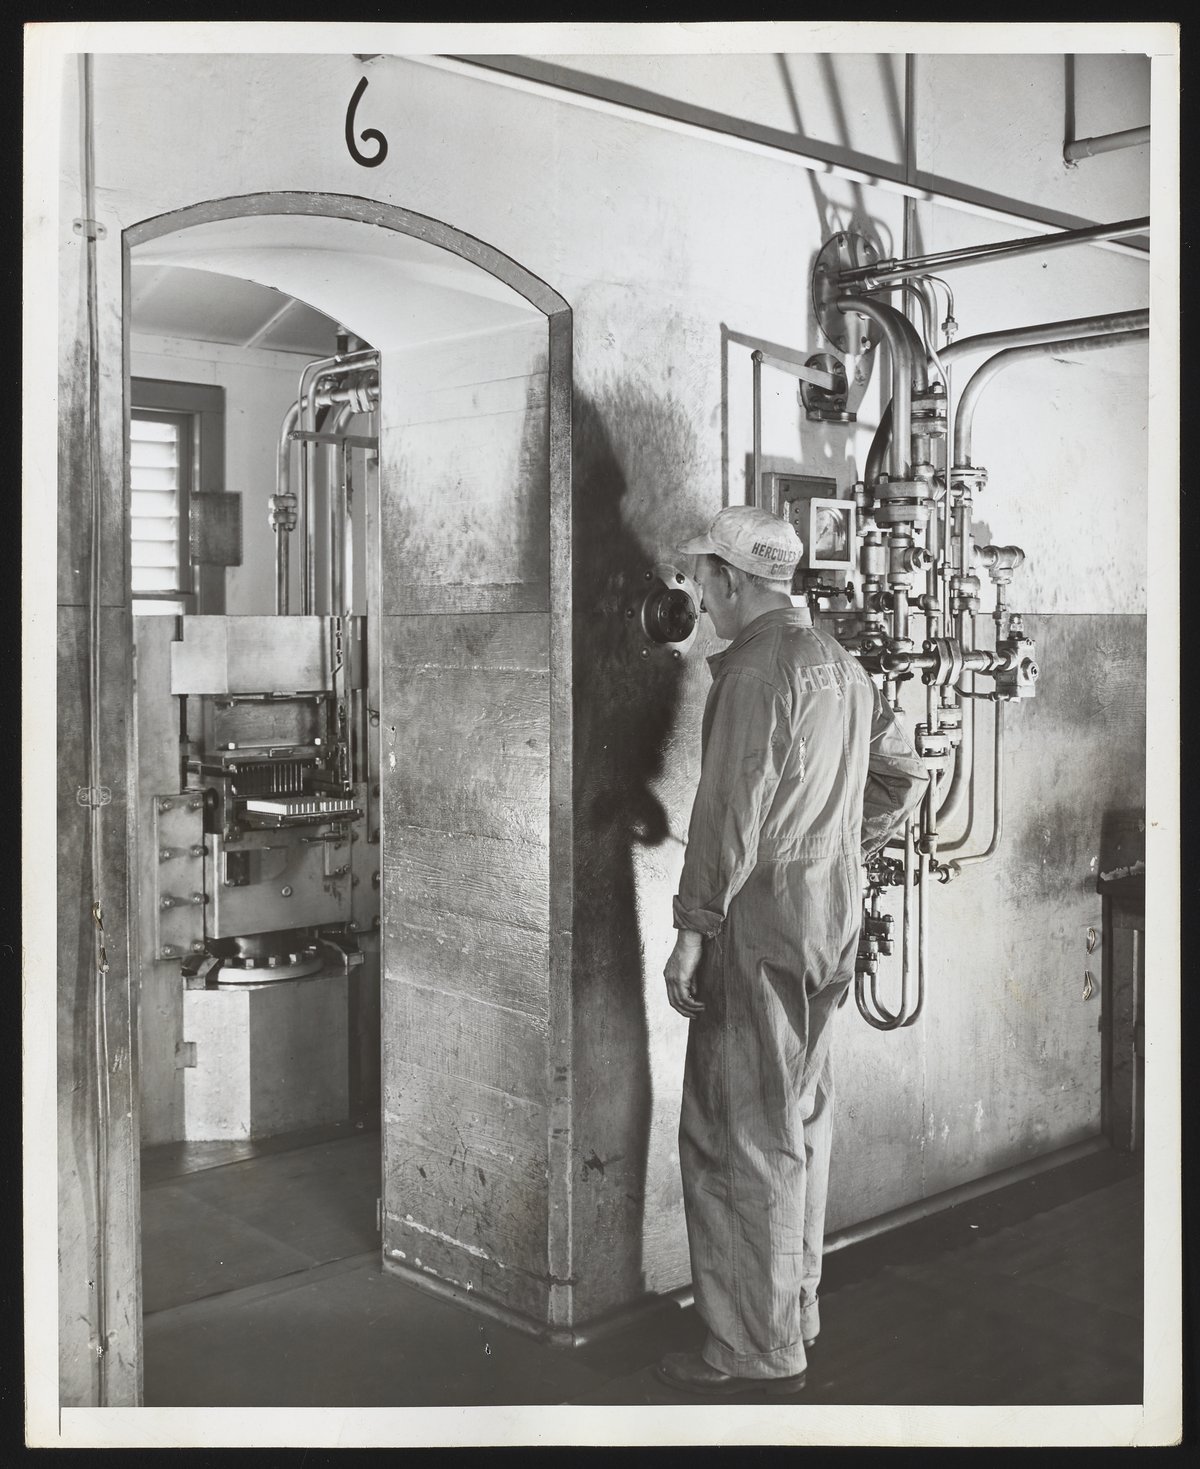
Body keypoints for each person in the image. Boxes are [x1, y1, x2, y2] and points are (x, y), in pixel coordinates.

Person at [655, 505, 929, 1398]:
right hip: (828, 915)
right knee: (799, 1117)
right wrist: (842, 851)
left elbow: (726, 819)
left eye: (704, 579)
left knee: (737, 1133)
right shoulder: (841, 664)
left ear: (734, 580)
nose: (698, 598)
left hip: (761, 924)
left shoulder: (753, 672)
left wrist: (692, 932)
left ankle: (754, 1347)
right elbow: (904, 772)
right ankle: (792, 1310)